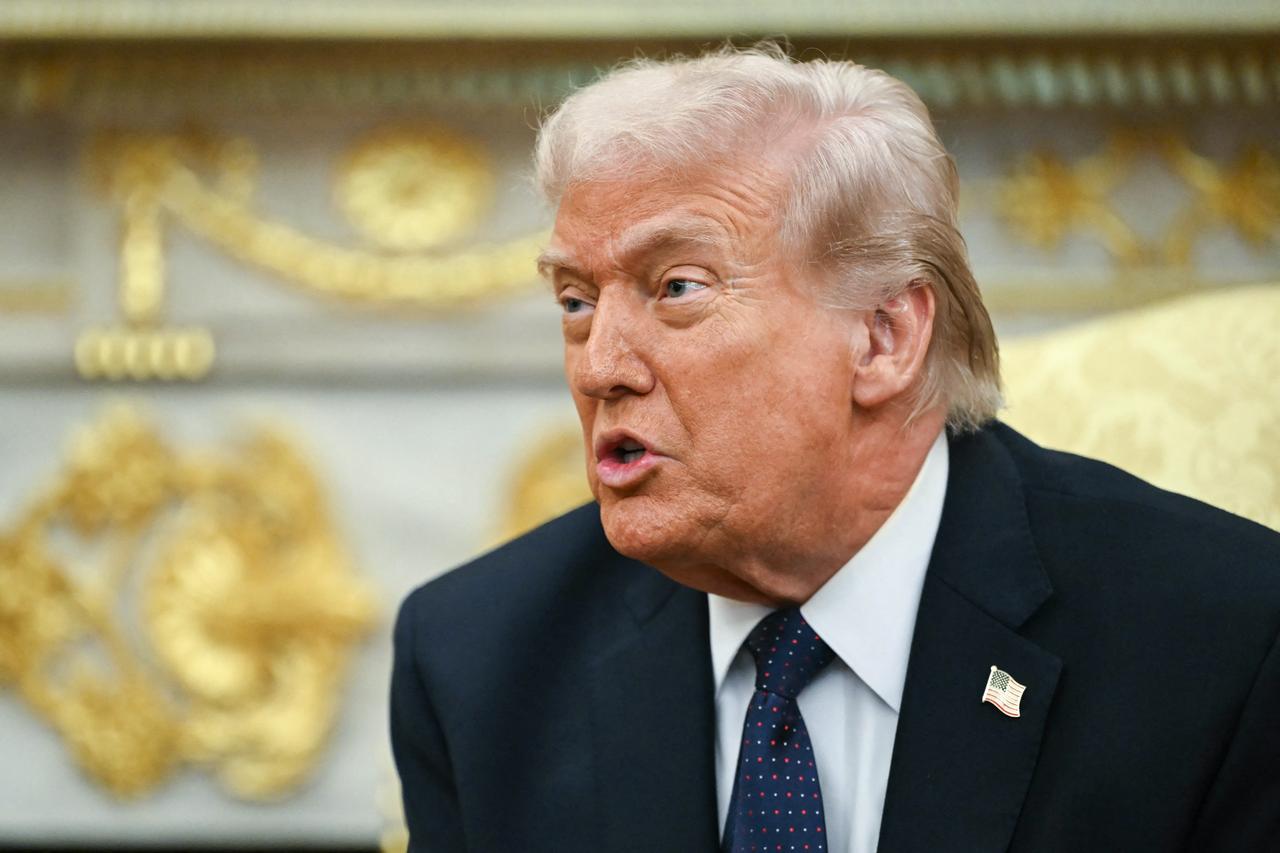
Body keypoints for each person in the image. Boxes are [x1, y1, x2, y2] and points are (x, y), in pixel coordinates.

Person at [390, 46, 1280, 852]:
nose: (600, 368)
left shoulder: (1223, 644)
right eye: (577, 300)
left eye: (677, 287)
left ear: (884, 336)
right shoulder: (479, 662)